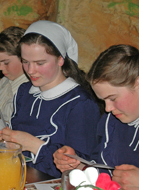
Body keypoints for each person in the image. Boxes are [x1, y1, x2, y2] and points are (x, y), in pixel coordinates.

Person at [0, 20, 101, 178]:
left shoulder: (80, 103)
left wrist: (34, 145)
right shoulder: (25, 91)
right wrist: (2, 136)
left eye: (40, 63)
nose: (31, 70)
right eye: (25, 62)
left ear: (61, 60)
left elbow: (82, 169)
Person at [53, 44, 139, 190]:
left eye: (112, 98)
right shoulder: (110, 121)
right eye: (103, 100)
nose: (107, 108)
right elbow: (102, 173)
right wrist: (77, 164)